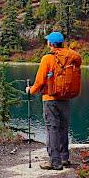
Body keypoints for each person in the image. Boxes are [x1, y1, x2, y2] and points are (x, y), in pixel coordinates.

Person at [25, 31, 82, 170]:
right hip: (65, 98)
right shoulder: (71, 56)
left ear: (50, 43)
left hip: (50, 99)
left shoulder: (47, 59)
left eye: (48, 41)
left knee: (52, 129)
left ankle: (54, 162)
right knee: (63, 128)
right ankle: (64, 158)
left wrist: (30, 90)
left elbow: (39, 81)